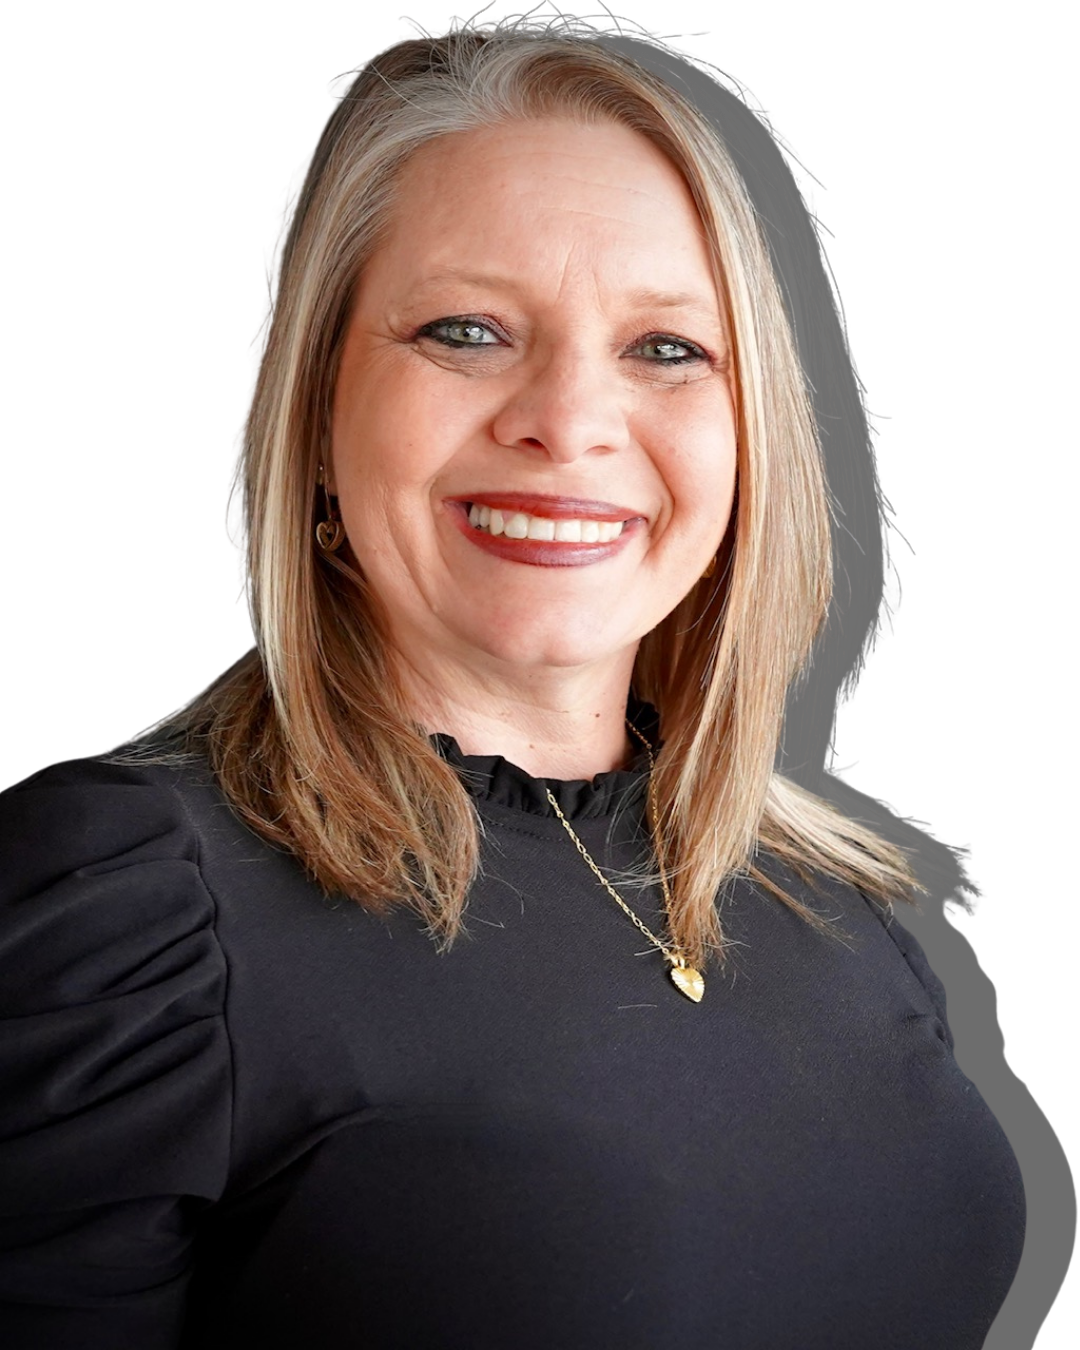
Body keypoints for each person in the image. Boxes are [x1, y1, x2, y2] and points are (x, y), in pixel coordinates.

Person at [0, 16, 1024, 1349]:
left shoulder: (830, 907)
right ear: (314, 411)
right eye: (468, 329)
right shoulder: (132, 909)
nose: (571, 419)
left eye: (666, 349)